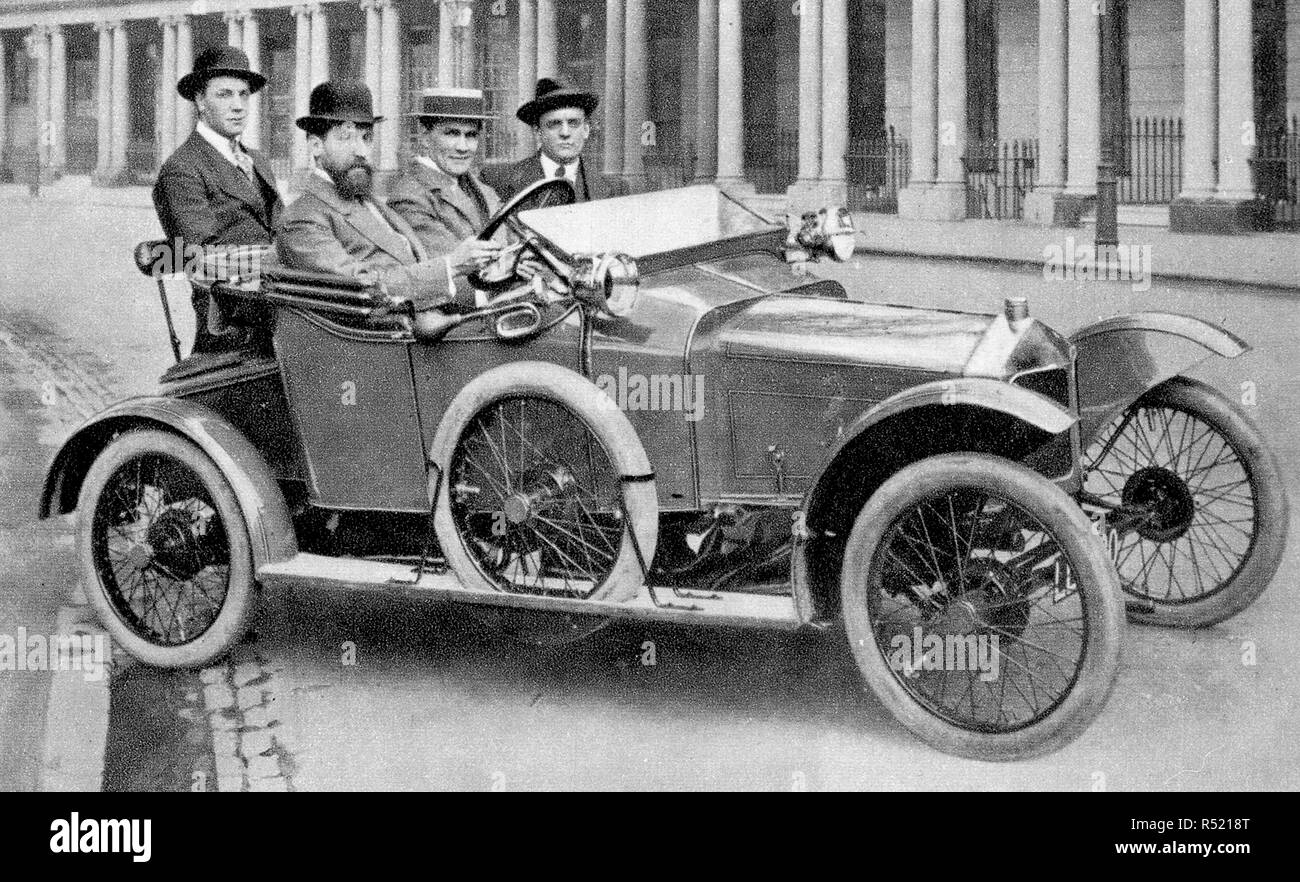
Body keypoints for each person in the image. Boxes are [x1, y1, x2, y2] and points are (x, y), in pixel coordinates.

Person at [276, 81, 487, 313]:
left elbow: (411, 267)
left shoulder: (368, 201)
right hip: (381, 337)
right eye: (346, 138)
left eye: (366, 138)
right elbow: (363, 290)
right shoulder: (303, 219)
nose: (361, 151)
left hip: (423, 319)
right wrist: (451, 265)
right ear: (316, 145)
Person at [152, 46, 282, 353]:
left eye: (244, 94)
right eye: (224, 95)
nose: (238, 106)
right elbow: (206, 259)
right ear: (200, 100)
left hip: (279, 299)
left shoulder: (257, 161)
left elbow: (284, 228)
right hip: (229, 320)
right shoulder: (182, 169)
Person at [387, 87, 505, 261]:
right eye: (452, 133)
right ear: (426, 138)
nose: (462, 147)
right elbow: (455, 267)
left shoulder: (482, 190)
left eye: (471, 135)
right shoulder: (409, 198)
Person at [500, 78, 628, 203]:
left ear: (586, 130)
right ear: (538, 132)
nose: (565, 133)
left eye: (573, 123)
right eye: (554, 124)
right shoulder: (503, 182)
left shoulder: (615, 190)